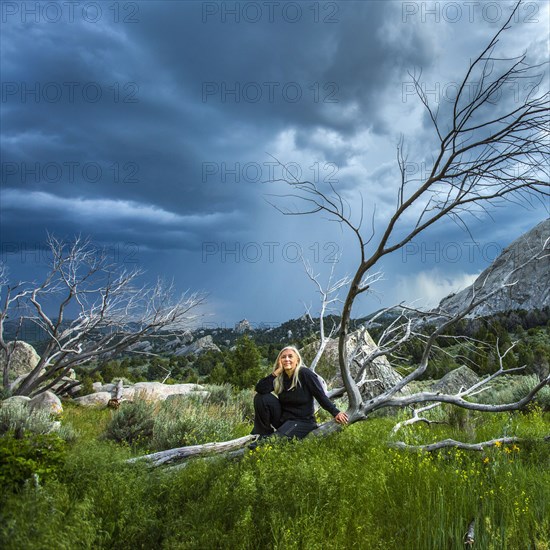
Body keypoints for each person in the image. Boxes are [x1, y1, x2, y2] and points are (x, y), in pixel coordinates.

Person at [252, 345, 348, 441]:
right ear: (279, 360)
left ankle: (265, 441)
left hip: (303, 422)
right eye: (283, 357)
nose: (286, 359)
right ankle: (263, 433)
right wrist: (276, 372)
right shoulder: (280, 377)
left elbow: (321, 396)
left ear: (297, 360)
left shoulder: (305, 374)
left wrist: (336, 412)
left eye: (290, 356)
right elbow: (260, 389)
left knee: (273, 441)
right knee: (261, 398)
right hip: (284, 420)